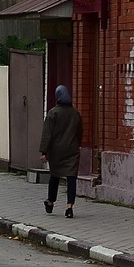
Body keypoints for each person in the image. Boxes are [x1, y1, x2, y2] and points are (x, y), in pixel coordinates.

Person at [40, 83, 83, 216]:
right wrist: (77, 144)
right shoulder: (75, 113)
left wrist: (44, 152)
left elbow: (47, 134)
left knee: (55, 176)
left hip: (56, 151)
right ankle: (69, 207)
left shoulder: (53, 113)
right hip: (72, 150)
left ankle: (51, 201)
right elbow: (80, 132)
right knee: (71, 178)